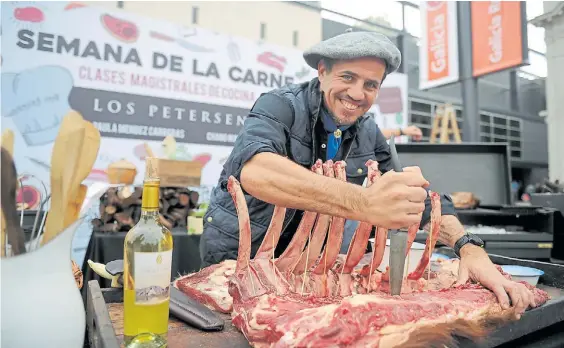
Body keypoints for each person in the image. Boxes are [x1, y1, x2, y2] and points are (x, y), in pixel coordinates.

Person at [199, 30, 535, 315]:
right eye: (348, 77)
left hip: (312, 273)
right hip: (239, 262)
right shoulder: (279, 105)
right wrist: (364, 202)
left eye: (371, 85)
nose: (358, 94)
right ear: (322, 71)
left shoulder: (369, 132)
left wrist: (468, 246)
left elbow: (419, 199)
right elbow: (256, 171)